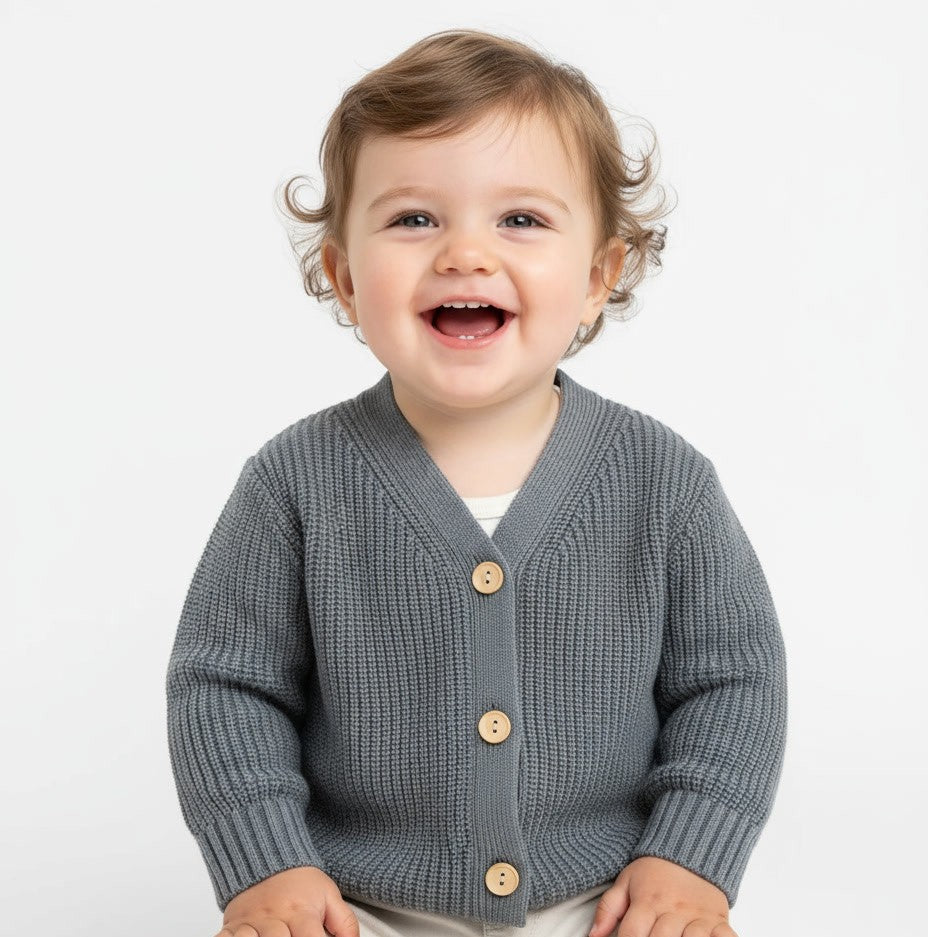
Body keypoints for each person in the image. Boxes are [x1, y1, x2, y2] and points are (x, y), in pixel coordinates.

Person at [165, 27, 788, 937]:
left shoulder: (664, 483)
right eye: (414, 218)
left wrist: (687, 857)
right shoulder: (293, 484)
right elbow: (225, 686)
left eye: (521, 219)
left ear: (597, 275)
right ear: (342, 274)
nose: (465, 253)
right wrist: (270, 866)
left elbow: (733, 680)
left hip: (605, 899)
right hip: (353, 903)